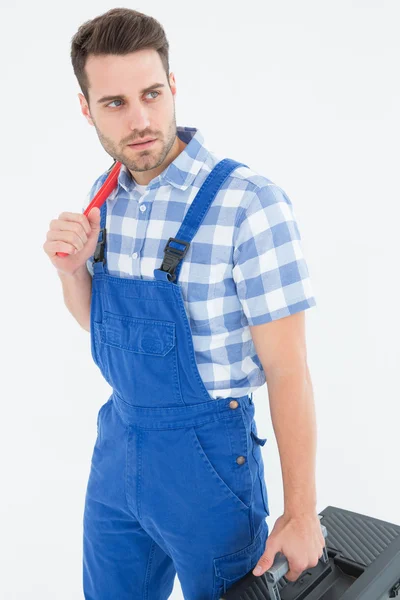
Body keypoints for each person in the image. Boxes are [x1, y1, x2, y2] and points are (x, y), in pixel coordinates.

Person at [43, 7, 325, 600]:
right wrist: (72, 275)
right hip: (116, 452)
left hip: (208, 468)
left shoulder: (249, 203)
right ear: (86, 109)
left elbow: (288, 369)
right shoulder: (103, 199)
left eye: (151, 93)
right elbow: (106, 329)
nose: (141, 119)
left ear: (173, 87)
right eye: (115, 103)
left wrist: (301, 513)